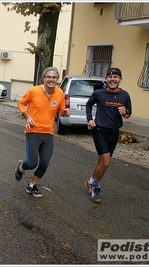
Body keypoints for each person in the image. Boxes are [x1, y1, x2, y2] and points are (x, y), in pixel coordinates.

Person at [14, 67, 71, 198]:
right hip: (33, 131)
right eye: (49, 77)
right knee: (32, 163)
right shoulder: (34, 91)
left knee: (45, 162)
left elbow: (61, 110)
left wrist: (65, 112)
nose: (51, 79)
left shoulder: (59, 93)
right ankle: (22, 165)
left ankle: (32, 185)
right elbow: (21, 103)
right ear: (44, 78)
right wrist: (27, 116)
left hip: (48, 133)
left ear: (57, 79)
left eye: (54, 77)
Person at [84, 67, 132, 203]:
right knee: (106, 162)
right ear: (106, 79)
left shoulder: (125, 95)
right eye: (110, 77)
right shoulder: (99, 93)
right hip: (99, 130)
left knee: (101, 162)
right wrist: (90, 119)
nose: (113, 79)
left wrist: (125, 112)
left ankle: (91, 181)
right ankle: (96, 186)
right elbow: (89, 105)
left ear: (120, 80)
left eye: (116, 77)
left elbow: (129, 113)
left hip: (114, 131)